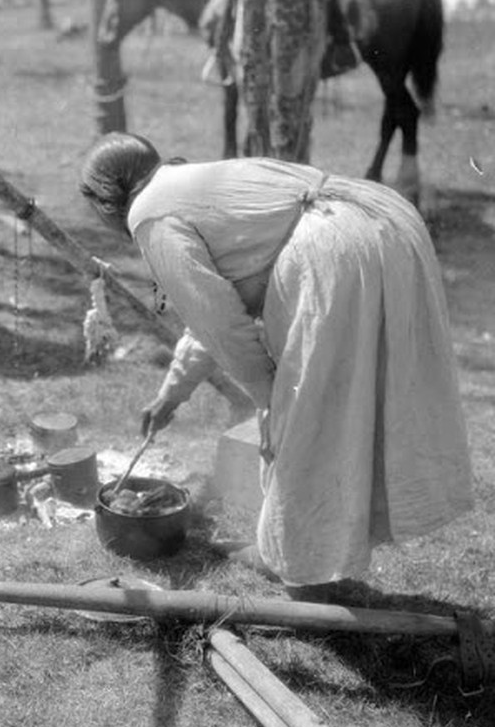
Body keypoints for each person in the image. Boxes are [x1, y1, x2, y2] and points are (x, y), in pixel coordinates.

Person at [79, 132, 474, 599]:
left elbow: (222, 326)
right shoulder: (183, 183)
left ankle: (302, 571)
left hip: (335, 250)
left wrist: (269, 402)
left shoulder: (150, 214)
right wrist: (172, 393)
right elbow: (212, 312)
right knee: (357, 396)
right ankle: (309, 550)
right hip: (384, 221)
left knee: (307, 421)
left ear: (106, 200)